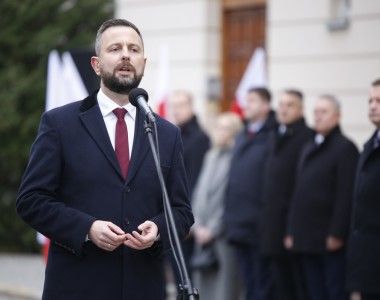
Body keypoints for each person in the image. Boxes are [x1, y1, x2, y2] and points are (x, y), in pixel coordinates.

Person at [16, 18, 193, 300]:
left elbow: (181, 211)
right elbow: (31, 200)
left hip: (143, 287)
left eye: (133, 49)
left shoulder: (166, 133)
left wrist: (158, 229)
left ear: (143, 64)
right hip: (78, 286)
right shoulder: (60, 124)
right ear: (96, 65)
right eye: (115, 48)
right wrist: (87, 227)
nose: (125, 54)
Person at [285, 95, 359, 300]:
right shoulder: (309, 146)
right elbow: (297, 192)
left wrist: (337, 233)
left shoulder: (345, 148)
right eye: (315, 112)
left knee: (332, 292)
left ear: (337, 116)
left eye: (324, 112)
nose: (318, 117)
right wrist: (291, 230)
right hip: (305, 237)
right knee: (312, 291)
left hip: (328, 239)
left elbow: (346, 195)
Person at [224, 87, 277, 300]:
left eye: (253, 101)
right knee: (248, 283)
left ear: (266, 106)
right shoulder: (243, 135)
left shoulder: (273, 135)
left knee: (262, 285)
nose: (247, 105)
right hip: (238, 223)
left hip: (259, 225)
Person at [260, 89, 313, 300]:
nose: (283, 109)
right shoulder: (275, 135)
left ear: (301, 109)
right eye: (281, 104)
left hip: (293, 227)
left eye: (290, 105)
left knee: (296, 287)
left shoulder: (307, 138)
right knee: (277, 285)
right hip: (271, 225)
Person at [191, 112, 242, 300]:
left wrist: (213, 228)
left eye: (225, 128)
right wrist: (196, 226)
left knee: (223, 287)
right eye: (218, 127)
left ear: (234, 133)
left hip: (221, 235)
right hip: (201, 234)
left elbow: (228, 198)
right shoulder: (210, 155)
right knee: (202, 286)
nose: (219, 132)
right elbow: (199, 193)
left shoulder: (235, 159)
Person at [347, 79, 380, 300]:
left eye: (379, 101)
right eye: (370, 100)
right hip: (368, 266)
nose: (372, 106)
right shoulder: (369, 146)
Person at [168, 90, 210, 195]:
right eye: (173, 106)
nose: (176, 110)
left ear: (191, 107)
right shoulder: (175, 133)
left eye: (180, 105)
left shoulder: (199, 138)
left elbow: (195, 177)